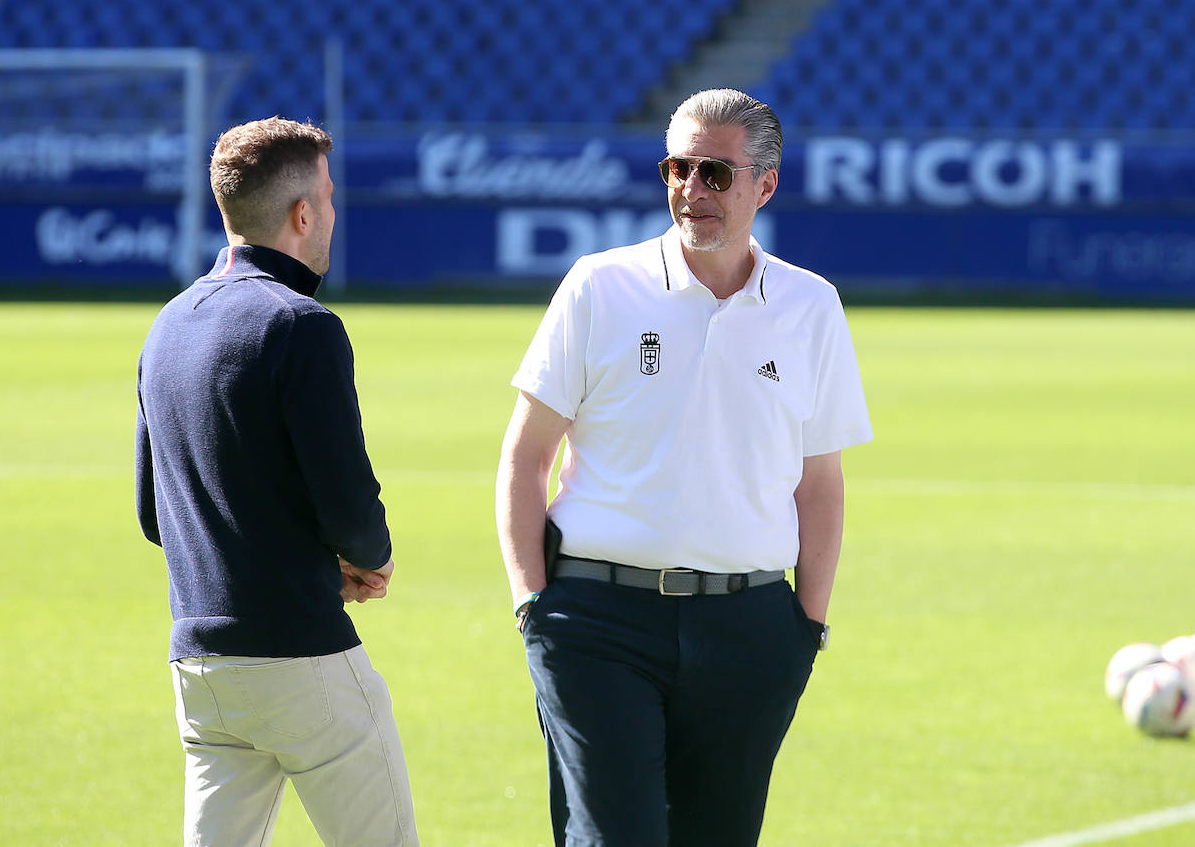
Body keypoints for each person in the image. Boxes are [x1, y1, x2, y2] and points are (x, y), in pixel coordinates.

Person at [496, 89, 872, 846]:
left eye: (714, 173)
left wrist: (809, 624)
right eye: (677, 167)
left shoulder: (813, 306)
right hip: (597, 624)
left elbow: (820, 482)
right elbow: (526, 454)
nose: (690, 190)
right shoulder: (599, 285)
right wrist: (532, 605)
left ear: (765, 184)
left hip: (752, 629)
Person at [135, 117, 418, 847]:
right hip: (302, 657)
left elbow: (153, 513)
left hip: (199, 660)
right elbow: (348, 503)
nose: (330, 210)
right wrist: (368, 558)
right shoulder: (301, 324)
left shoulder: (167, 324)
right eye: (326, 196)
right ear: (301, 214)